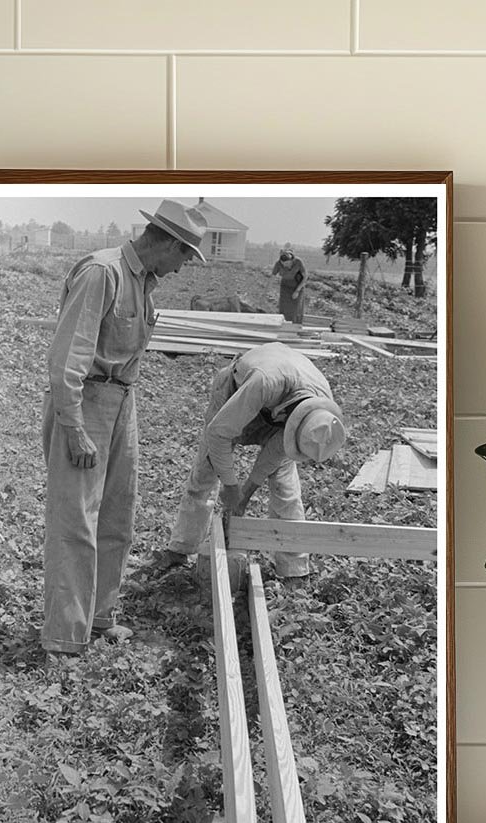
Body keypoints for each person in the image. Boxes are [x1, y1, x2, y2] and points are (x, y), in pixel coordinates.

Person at [41, 199, 208, 655]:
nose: (182, 268)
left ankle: (99, 619)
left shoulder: (144, 284)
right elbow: (67, 359)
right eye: (184, 256)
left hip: (122, 401)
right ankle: (64, 637)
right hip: (87, 400)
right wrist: (74, 427)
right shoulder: (103, 273)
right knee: (76, 520)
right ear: (169, 244)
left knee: (117, 516)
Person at [158, 343, 347, 583]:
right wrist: (230, 485)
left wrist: (245, 494)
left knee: (285, 485)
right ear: (294, 422)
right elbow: (218, 434)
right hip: (236, 391)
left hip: (280, 407)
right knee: (206, 471)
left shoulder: (322, 415)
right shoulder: (264, 383)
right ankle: (181, 548)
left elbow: (274, 454)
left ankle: (294, 570)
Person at [271, 248, 308, 324]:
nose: (285, 265)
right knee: (284, 308)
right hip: (285, 286)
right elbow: (272, 278)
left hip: (297, 286)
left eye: (287, 263)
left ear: (291, 261)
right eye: (283, 264)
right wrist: (264, 293)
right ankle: (284, 325)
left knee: (296, 309)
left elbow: (305, 277)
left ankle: (295, 326)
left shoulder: (298, 262)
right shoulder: (278, 264)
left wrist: (297, 291)